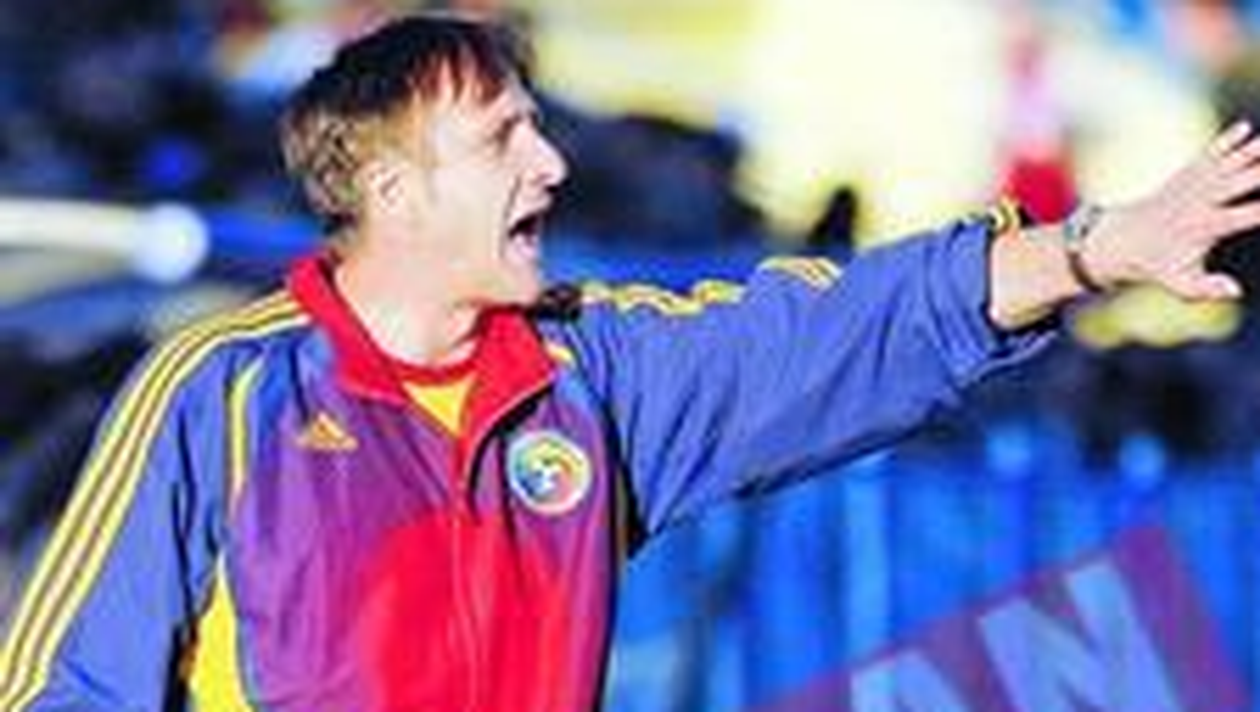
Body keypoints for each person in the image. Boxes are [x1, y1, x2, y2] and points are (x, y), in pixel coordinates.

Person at [4, 13, 1260, 711]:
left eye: (539, 129)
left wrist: (1095, 249)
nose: (552, 165)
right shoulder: (220, 392)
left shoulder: (593, 377)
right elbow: (68, 685)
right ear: (393, 193)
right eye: (502, 142)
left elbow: (855, 327)